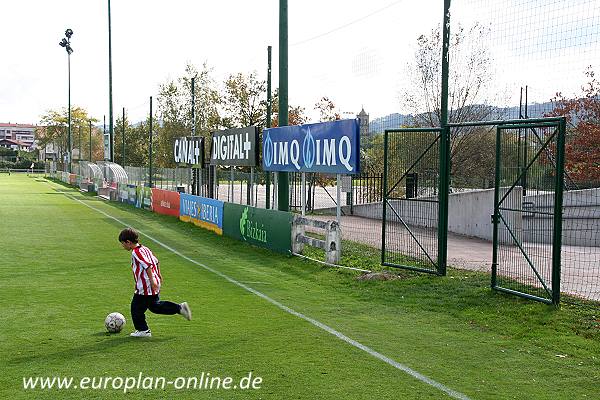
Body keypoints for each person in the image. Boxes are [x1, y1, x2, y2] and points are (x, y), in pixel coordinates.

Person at [118, 227, 191, 337]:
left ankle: (143, 330)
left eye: (123, 243)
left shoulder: (136, 252)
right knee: (155, 306)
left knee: (136, 308)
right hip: (153, 283)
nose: (122, 246)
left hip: (146, 286)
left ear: (128, 242)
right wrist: (159, 275)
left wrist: (152, 281)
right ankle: (179, 308)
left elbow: (147, 266)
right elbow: (156, 261)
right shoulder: (145, 248)